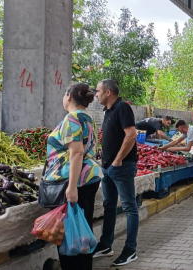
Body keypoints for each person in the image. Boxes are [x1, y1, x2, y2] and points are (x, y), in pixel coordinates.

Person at [44, 83, 102, 270]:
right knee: (81, 229)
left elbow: (76, 153)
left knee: (69, 232)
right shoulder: (88, 118)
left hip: (74, 180)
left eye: (63, 94)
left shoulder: (72, 119)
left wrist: (71, 187)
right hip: (89, 177)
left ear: (69, 96)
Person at [93, 79, 139, 266]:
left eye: (98, 91)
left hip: (122, 167)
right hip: (108, 167)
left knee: (129, 207)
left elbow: (131, 134)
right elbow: (115, 136)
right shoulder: (108, 111)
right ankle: (106, 244)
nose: (96, 94)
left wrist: (118, 159)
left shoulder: (122, 108)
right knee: (109, 205)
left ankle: (130, 250)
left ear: (108, 92)